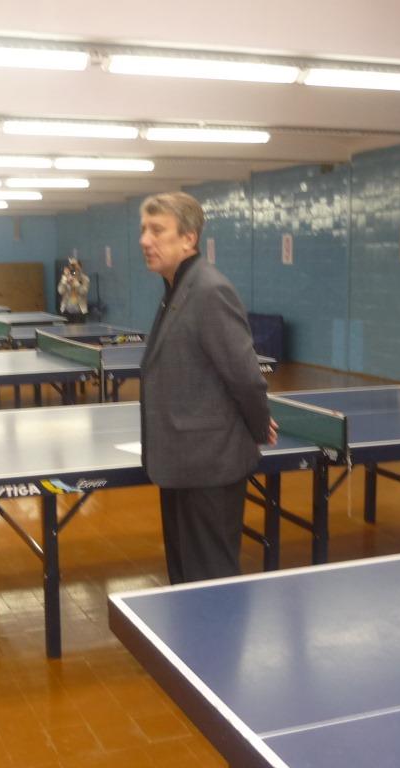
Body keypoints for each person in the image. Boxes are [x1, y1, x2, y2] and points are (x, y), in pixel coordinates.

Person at [138, 192, 277, 584]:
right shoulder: (176, 289)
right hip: (182, 461)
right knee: (185, 579)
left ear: (189, 238)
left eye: (157, 230)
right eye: (144, 230)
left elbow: (244, 375)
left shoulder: (209, 291)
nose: (145, 240)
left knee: (211, 583)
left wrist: (258, 425)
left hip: (209, 466)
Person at [57, 256, 90, 323]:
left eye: (75, 266)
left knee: (80, 329)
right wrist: (64, 281)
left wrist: (76, 284)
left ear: (80, 267)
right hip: (66, 311)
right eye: (71, 266)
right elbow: (60, 291)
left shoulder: (85, 279)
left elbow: (84, 291)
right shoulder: (65, 278)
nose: (73, 268)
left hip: (80, 311)